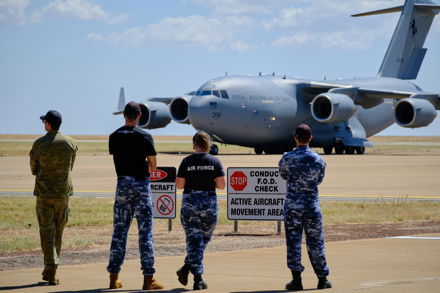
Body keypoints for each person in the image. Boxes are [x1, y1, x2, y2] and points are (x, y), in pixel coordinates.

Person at [107, 102, 164, 290]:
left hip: (122, 183)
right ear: (139, 116)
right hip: (140, 184)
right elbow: (154, 164)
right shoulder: (145, 136)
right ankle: (148, 278)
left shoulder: (114, 136)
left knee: (119, 232)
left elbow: (118, 157)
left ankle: (114, 277)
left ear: (124, 115)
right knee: (145, 233)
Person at [278, 124, 332, 291]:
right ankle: (322, 278)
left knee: (293, 242)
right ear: (310, 138)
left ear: (295, 138)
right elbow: (319, 180)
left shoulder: (287, 158)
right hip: (311, 205)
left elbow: (283, 175)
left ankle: (296, 280)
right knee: (316, 241)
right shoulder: (318, 159)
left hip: (293, 205)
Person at [30, 110, 78, 285]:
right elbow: (70, 166)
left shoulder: (39, 144)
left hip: (44, 194)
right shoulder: (70, 143)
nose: (44, 125)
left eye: (44, 122)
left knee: (47, 232)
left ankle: (51, 268)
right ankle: (52, 270)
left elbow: (33, 169)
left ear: (48, 124)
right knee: (58, 232)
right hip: (63, 194)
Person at [175, 131, 226, 290]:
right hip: (208, 204)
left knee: (194, 241)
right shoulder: (215, 162)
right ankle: (197, 278)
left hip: (190, 203)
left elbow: (179, 185)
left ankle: (185, 269)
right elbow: (221, 185)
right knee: (202, 240)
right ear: (208, 144)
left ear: (194, 144)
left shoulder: (186, 162)